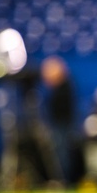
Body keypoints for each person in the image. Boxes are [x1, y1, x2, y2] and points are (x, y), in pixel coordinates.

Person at [41, 56, 78, 186]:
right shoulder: (57, 88)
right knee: (59, 153)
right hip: (58, 125)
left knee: (63, 154)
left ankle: (64, 180)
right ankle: (62, 179)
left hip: (63, 125)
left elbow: (62, 108)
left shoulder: (65, 86)